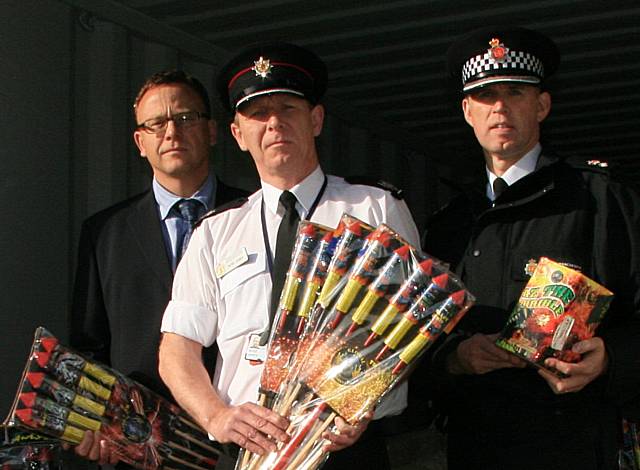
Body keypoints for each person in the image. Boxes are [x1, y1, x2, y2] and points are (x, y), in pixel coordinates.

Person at [158, 42, 420, 470]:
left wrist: (365, 399)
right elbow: (176, 350)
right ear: (238, 135)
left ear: (315, 120)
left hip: (346, 450)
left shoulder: (374, 209)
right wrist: (217, 417)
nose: (275, 123)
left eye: (288, 109)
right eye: (258, 114)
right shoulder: (216, 232)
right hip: (248, 454)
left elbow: (413, 328)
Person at [419, 26, 640, 470]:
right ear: (467, 111)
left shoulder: (597, 200)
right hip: (475, 450)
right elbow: (418, 343)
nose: (499, 107)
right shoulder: (448, 225)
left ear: (541, 105)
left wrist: (611, 358)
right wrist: (456, 358)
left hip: (573, 447)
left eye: (515, 93)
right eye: (485, 97)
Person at [69, 69, 249, 466]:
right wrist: (95, 421)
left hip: (241, 439)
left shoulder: (258, 216)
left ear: (212, 131)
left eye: (185, 118)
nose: (172, 132)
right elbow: (89, 346)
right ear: (140, 141)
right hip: (142, 448)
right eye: (156, 123)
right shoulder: (104, 233)